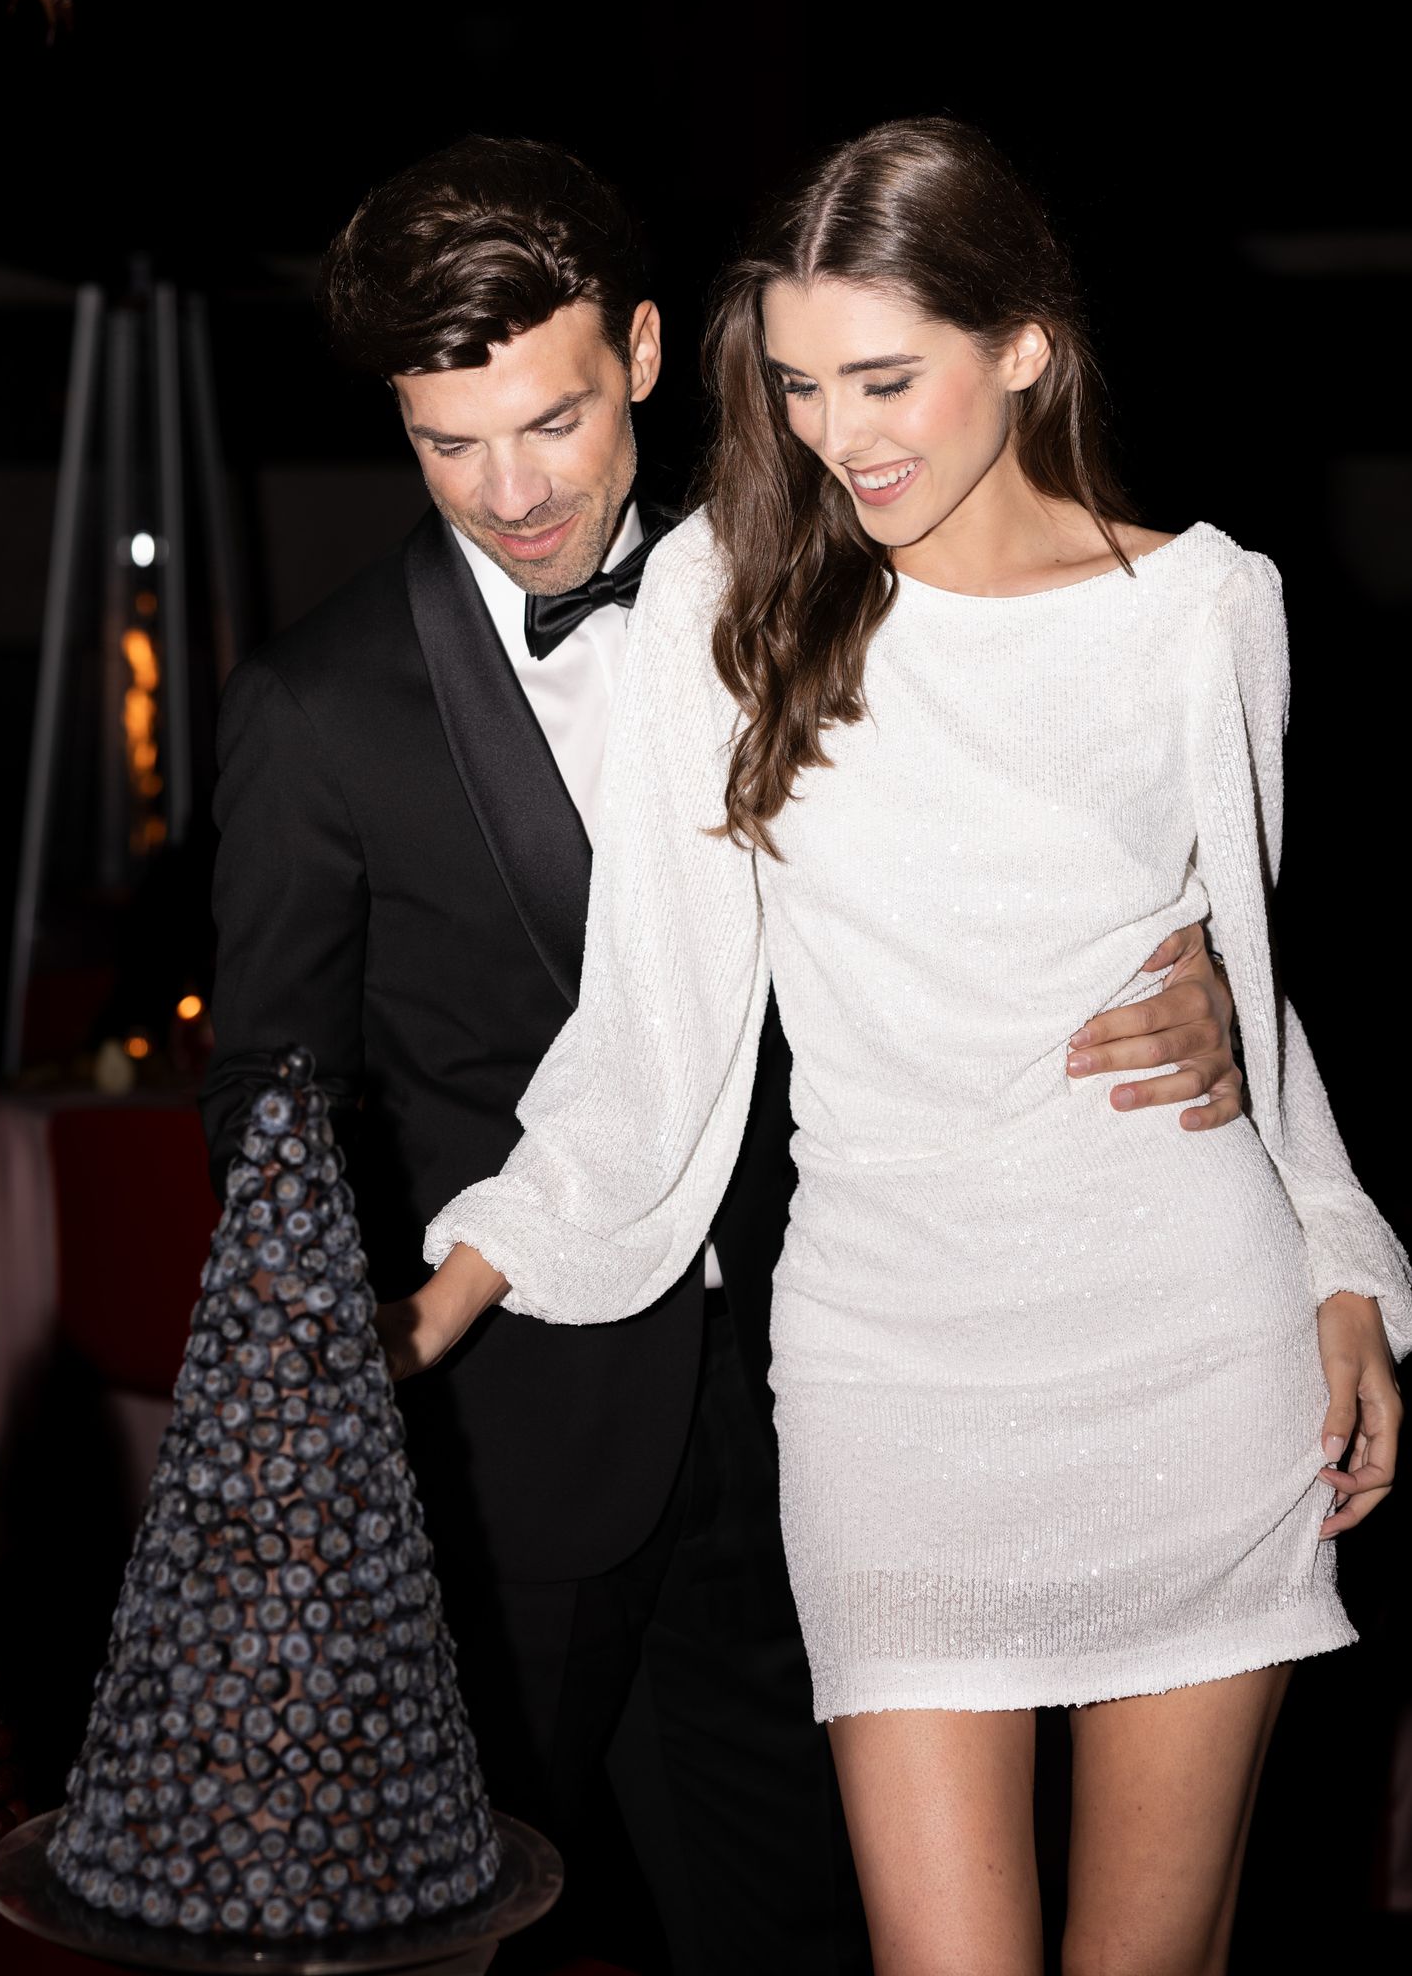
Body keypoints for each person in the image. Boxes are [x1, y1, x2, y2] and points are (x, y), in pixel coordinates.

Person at [380, 119, 1411, 1976]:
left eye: (884, 379)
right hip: (886, 1384)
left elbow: (1249, 999)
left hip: (1186, 1350)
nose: (841, 435)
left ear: (1021, 343)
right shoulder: (728, 598)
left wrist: (1340, 1257)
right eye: (794, 387)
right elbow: (650, 1026)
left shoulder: (1199, 613)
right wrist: (416, 1310)